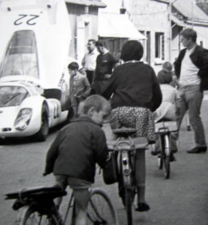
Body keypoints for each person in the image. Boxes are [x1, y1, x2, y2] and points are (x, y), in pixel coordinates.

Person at [102, 40, 162, 212]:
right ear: (141, 53)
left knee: (114, 144)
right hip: (141, 113)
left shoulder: (118, 70)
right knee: (140, 153)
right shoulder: (149, 70)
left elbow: (106, 91)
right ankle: (141, 199)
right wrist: (149, 109)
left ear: (124, 54)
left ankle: (116, 163)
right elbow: (157, 95)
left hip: (119, 112)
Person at [43, 95, 111, 225]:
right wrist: (108, 170)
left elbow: (53, 151)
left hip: (60, 170)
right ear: (91, 112)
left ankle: (53, 214)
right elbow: (102, 155)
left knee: (58, 187)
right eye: (103, 116)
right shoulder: (97, 131)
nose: (103, 122)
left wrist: (48, 168)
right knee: (81, 211)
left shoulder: (66, 128)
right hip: (80, 174)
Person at [174, 28, 208, 154]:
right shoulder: (183, 52)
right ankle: (170, 145)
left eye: (183, 39)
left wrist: (199, 74)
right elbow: (177, 64)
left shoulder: (200, 51)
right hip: (182, 88)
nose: (181, 41)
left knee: (193, 118)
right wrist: (178, 77)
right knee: (176, 115)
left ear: (190, 39)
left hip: (194, 88)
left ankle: (201, 144)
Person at [153, 63, 178, 161]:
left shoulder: (156, 89)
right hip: (170, 111)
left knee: (154, 128)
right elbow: (178, 102)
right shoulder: (173, 90)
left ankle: (157, 148)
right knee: (172, 130)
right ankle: (172, 148)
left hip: (158, 111)